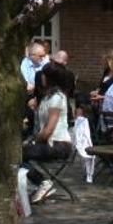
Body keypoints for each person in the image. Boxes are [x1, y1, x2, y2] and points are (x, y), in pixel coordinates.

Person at [23, 63, 78, 203]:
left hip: (59, 144)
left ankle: (43, 182)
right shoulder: (47, 97)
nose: (41, 77)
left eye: (44, 74)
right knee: (17, 152)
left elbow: (49, 129)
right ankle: (41, 182)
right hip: (48, 142)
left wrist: (33, 141)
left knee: (18, 153)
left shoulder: (57, 98)